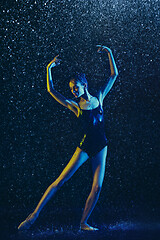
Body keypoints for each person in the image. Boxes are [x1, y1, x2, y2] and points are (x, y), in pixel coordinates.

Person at [18, 45, 118, 231]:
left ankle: (83, 222)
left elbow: (113, 75)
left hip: (102, 146)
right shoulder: (75, 106)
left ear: (84, 85)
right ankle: (33, 216)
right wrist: (48, 69)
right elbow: (52, 91)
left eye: (75, 87)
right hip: (85, 147)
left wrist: (109, 53)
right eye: (71, 89)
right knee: (60, 180)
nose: (73, 91)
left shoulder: (100, 97)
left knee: (97, 188)